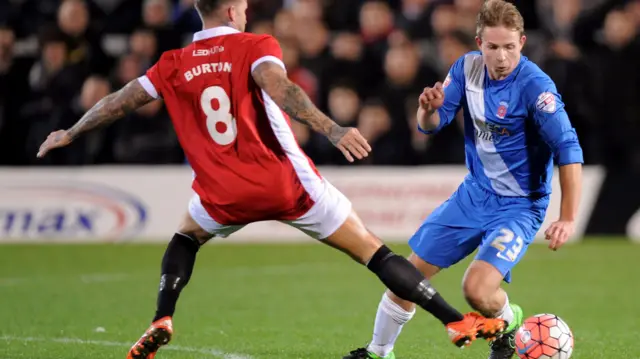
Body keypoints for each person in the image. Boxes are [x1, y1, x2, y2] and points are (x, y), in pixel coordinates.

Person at [36, 1, 507, 358]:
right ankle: (453, 321)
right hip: (285, 183)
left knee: (185, 235)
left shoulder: (172, 63)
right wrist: (333, 127)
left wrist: (72, 131)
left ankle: (163, 315)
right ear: (231, 10)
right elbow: (281, 89)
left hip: (221, 193)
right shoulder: (256, 45)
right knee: (373, 251)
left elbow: (120, 99)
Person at [342, 1, 584, 359]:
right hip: (473, 195)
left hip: (519, 207)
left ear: (522, 42)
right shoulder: (466, 69)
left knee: (476, 290)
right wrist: (426, 109)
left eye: (509, 47)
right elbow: (431, 126)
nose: (501, 57)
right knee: (407, 276)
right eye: (492, 47)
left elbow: (568, 147)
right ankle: (379, 352)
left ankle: (507, 322)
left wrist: (567, 216)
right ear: (478, 43)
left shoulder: (536, 87)